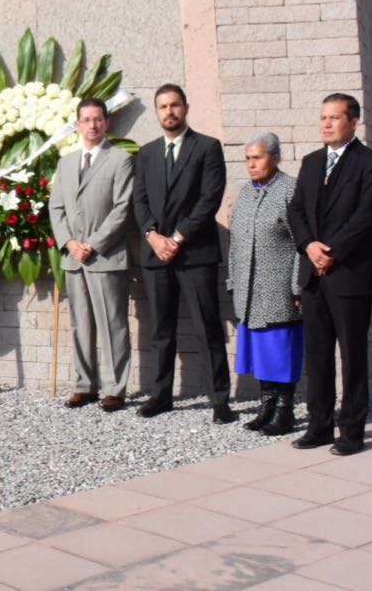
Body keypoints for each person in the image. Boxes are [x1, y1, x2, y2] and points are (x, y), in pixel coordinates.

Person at [287, 93, 372, 456]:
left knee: (352, 355)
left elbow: (365, 217)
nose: (327, 123)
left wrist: (330, 252)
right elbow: (296, 209)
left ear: (353, 121)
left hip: (349, 274)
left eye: (334, 117)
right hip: (314, 274)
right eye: (323, 117)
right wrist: (309, 246)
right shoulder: (312, 162)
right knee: (317, 354)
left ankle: (352, 432)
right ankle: (318, 426)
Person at [131, 84, 235, 424]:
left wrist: (176, 237)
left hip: (194, 254)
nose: (169, 111)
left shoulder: (206, 147)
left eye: (175, 105)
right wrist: (152, 235)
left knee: (208, 327)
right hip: (155, 255)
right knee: (161, 329)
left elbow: (210, 198)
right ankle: (161, 395)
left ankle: (220, 400)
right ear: (157, 111)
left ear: (185, 108)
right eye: (163, 106)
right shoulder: (145, 154)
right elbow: (139, 200)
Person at [48, 97, 135, 412]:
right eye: (86, 119)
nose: (93, 125)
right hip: (74, 258)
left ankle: (114, 388)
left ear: (107, 122)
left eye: (98, 119)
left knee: (113, 323)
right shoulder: (66, 163)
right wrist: (70, 243)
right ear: (78, 124)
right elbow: (56, 208)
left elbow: (123, 208)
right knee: (80, 323)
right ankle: (84, 385)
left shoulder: (121, 160)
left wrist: (94, 244)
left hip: (106, 257)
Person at [229, 133, 303, 436]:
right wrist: (233, 280)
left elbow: (303, 243)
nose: (251, 164)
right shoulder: (247, 192)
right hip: (249, 291)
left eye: (257, 158)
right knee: (261, 354)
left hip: (278, 290)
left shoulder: (289, 190)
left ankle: (285, 412)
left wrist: (298, 288)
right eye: (247, 158)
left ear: (275, 157)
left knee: (280, 353)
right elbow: (236, 241)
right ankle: (267, 407)